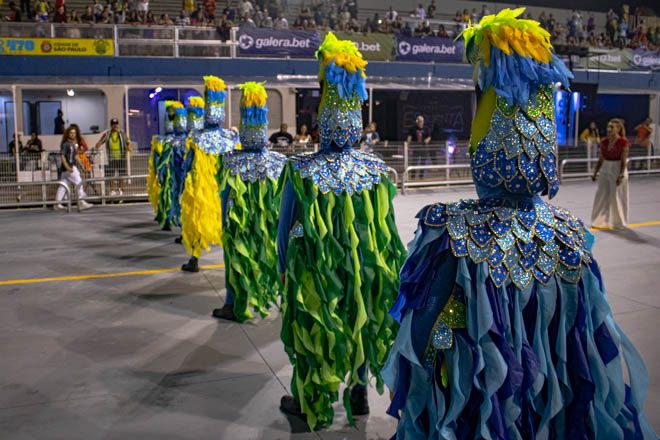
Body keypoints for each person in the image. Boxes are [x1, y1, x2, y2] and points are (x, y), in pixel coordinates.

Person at [383, 9, 655, 439]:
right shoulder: (569, 239)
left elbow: (419, 340)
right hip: (550, 412)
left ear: (482, 151)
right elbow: (586, 353)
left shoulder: (452, 233)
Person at [278, 32, 406, 431]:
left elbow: (286, 228)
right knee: (360, 317)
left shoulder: (300, 170)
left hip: (313, 267)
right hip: (365, 265)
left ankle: (309, 401)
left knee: (314, 324)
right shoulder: (374, 172)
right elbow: (386, 228)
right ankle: (358, 392)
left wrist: (284, 266)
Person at [211, 82, 286, 322]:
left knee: (237, 261)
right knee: (268, 256)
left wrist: (226, 227)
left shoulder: (231, 162)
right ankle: (273, 297)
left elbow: (226, 202)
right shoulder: (278, 162)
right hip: (270, 227)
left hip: (238, 227)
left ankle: (234, 304)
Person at [180, 75, 239, 272]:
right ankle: (233, 264)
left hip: (202, 190)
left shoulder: (197, 138)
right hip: (225, 189)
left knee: (196, 221)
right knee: (229, 225)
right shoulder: (231, 138)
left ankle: (194, 259)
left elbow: (188, 165)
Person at [591, 118, 629, 229]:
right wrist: (595, 173)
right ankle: (600, 220)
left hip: (617, 168)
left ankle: (619, 222)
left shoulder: (623, 142)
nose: (608, 129)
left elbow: (624, 160)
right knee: (601, 195)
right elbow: (601, 159)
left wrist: (621, 175)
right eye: (608, 127)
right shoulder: (604, 142)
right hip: (605, 168)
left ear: (618, 129)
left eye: (611, 127)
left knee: (616, 196)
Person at [55, 126, 93, 210]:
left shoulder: (72, 144)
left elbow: (76, 156)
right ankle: (81, 202)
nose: (73, 134)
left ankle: (57, 204)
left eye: (74, 133)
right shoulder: (65, 144)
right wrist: (68, 167)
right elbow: (62, 156)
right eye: (71, 133)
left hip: (68, 168)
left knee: (63, 185)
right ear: (68, 134)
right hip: (70, 167)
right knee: (79, 182)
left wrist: (82, 164)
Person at [95, 117, 131, 197]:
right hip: (111, 157)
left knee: (121, 174)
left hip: (121, 157)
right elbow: (100, 142)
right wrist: (96, 147)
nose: (115, 126)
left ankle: (121, 189)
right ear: (111, 125)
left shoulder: (122, 133)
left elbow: (128, 142)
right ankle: (112, 190)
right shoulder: (107, 134)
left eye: (116, 124)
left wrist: (128, 147)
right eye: (113, 124)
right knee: (111, 174)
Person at [406, 114, 432, 179]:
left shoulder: (426, 129)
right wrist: (407, 145)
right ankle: (413, 176)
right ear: (417, 121)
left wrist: (427, 140)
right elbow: (409, 137)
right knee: (414, 162)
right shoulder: (413, 129)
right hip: (416, 148)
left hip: (424, 148)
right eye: (419, 121)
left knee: (423, 162)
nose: (420, 122)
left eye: (422, 121)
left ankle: (421, 176)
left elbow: (429, 137)